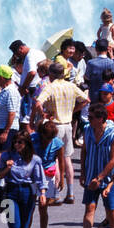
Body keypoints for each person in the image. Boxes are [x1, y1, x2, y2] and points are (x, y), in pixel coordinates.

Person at [37, 58, 87, 204]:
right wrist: (73, 110)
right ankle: (70, 193)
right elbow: (86, 100)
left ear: (51, 74)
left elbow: (38, 102)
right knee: (67, 158)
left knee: (53, 160)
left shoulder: (50, 87)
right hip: (68, 124)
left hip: (55, 125)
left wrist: (43, 114)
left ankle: (55, 194)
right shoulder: (71, 86)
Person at [81, 104, 114, 228]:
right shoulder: (87, 130)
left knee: (111, 210)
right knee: (89, 208)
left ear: (100, 119)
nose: (88, 120)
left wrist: (100, 178)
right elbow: (84, 151)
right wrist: (84, 173)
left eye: (91, 117)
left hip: (108, 180)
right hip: (91, 176)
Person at [0, 130, 44, 228]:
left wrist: (42, 193)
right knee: (14, 226)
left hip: (27, 192)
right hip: (10, 192)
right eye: (15, 142)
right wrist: (7, 168)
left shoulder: (34, 159)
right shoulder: (6, 156)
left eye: (20, 142)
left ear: (26, 144)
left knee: (24, 227)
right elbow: (0, 175)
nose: (17, 144)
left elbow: (39, 178)